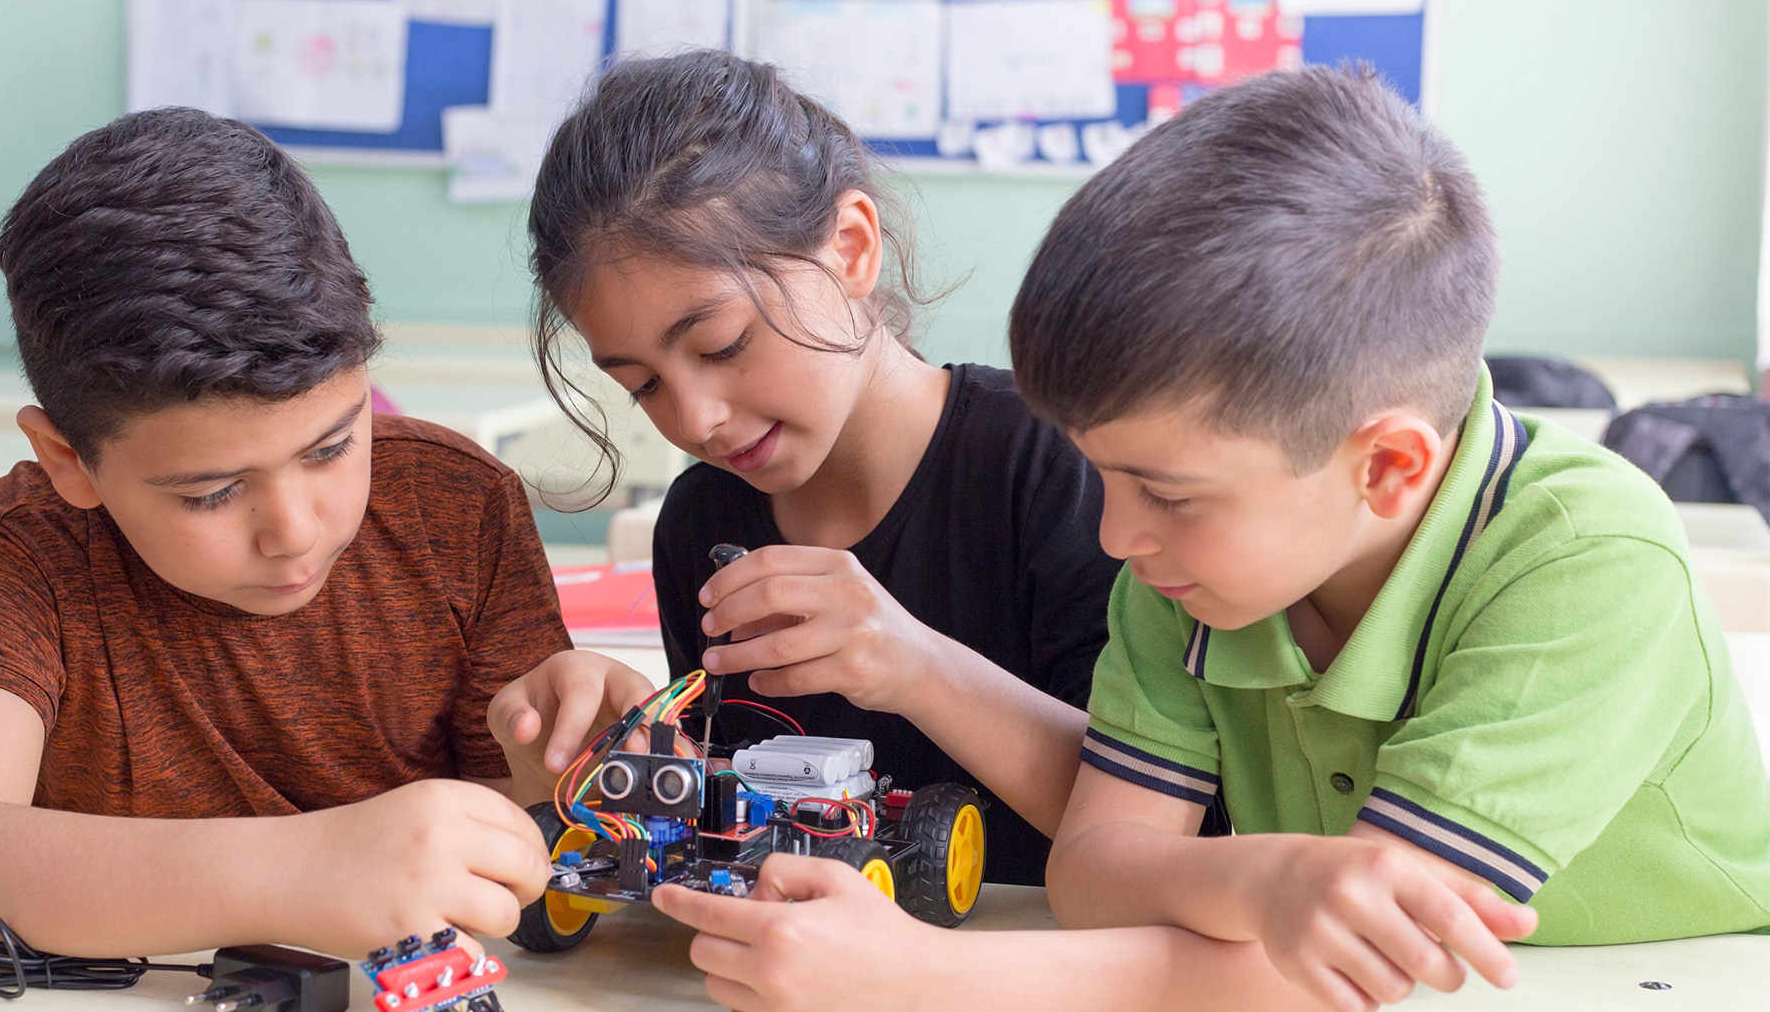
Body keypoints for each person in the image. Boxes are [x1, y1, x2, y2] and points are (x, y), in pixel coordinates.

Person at [649, 64, 1770, 1012]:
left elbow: (1363, 961)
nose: (1115, 532)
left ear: (1383, 468)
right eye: (1099, 473)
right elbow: (1096, 870)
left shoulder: (1586, 556)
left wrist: (930, 976)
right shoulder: (1185, 569)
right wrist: (1267, 883)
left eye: (1164, 491)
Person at [0, 108, 646, 960]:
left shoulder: (457, 507)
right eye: (211, 492)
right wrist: (300, 872)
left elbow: (517, 860)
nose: (295, 531)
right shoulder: (14, 555)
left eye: (335, 446)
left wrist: (555, 780)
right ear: (68, 459)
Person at [494, 49, 1121, 886]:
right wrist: (616, 756)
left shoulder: (1058, 466)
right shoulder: (702, 522)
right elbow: (733, 832)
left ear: (851, 248)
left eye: (722, 345)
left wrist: (915, 666)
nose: (694, 420)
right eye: (641, 385)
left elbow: (1170, 827)